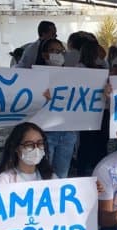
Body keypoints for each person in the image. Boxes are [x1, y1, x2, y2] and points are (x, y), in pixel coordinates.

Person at [36, 38, 77, 178]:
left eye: (60, 51)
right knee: (43, 174)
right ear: (44, 54)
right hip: (44, 132)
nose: (56, 54)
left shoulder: (75, 76)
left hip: (67, 132)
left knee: (61, 175)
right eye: (52, 51)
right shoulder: (34, 75)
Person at [76, 40, 109, 176]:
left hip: (100, 109)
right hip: (89, 110)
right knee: (89, 141)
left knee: (98, 141)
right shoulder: (79, 68)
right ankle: (85, 169)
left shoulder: (101, 67)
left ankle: (94, 168)